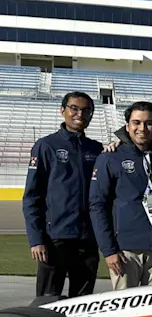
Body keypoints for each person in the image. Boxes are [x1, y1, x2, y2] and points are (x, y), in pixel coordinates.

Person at [90, 101, 152, 289]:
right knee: (125, 311)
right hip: (125, 251)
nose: (142, 128)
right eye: (136, 122)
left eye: (149, 123)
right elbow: (98, 205)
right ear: (127, 126)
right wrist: (109, 250)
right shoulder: (110, 157)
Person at [23, 92, 104, 298]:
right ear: (63, 111)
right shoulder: (46, 145)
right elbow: (32, 197)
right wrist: (36, 239)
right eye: (74, 108)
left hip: (88, 240)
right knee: (47, 302)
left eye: (86, 110)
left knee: (82, 302)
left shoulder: (96, 149)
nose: (80, 114)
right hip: (54, 240)